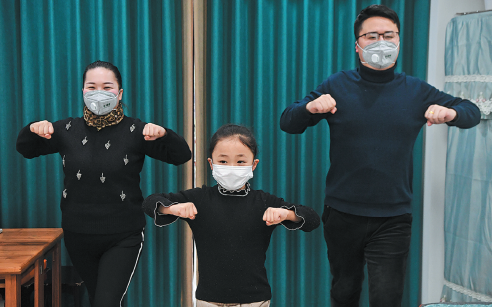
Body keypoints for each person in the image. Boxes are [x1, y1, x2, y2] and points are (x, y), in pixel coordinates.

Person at [280, 5, 481, 307]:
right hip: (342, 214)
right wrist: (310, 107)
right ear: (358, 45)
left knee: (387, 298)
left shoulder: (416, 90)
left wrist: (451, 112)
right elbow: (288, 122)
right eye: (372, 36)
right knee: (344, 293)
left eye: (389, 35)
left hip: (393, 218)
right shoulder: (337, 84)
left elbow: (472, 112)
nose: (381, 42)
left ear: (399, 42)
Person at [16, 60, 191, 307]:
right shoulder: (66, 129)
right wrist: (32, 129)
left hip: (124, 235)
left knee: (105, 303)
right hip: (78, 234)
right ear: (83, 92)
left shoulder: (137, 130)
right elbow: (26, 149)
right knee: (97, 298)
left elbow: (181, 156)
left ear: (119, 94)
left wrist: (165, 134)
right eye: (92, 86)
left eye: (107, 87)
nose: (99, 92)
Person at [142, 124, 320, 307]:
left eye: (241, 161)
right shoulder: (199, 199)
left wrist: (287, 214)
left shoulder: (264, 201)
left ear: (254, 164)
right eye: (223, 161)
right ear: (211, 163)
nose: (232, 167)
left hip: (255, 300)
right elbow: (149, 202)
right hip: (208, 300)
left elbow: (312, 219)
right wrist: (172, 209)